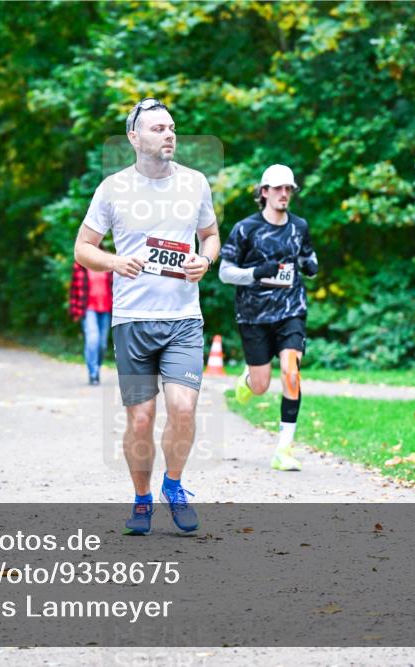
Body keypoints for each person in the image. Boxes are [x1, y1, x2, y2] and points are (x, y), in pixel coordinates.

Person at [73, 97, 220, 535]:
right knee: (141, 418)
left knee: (183, 407)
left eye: (172, 127)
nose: (169, 134)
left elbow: (210, 236)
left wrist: (205, 261)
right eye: (158, 129)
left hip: (183, 320)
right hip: (132, 321)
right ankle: (141, 500)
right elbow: (82, 249)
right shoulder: (113, 188)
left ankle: (172, 486)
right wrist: (115, 263)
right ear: (134, 138)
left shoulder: (195, 183)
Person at [218, 164, 318, 471]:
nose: (284, 194)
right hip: (254, 315)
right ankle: (248, 380)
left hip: (291, 310)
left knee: (291, 372)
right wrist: (255, 274)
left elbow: (308, 257)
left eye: (288, 189)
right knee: (261, 385)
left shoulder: (299, 226)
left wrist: (310, 265)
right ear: (264, 192)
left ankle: (284, 450)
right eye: (277, 189)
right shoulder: (245, 229)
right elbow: (224, 272)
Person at [69, 262, 114, 385]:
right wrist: (75, 311)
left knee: (102, 345)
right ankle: (93, 373)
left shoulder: (108, 262)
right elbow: (74, 289)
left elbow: (115, 286)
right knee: (92, 339)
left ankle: (97, 368)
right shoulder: (80, 265)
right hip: (88, 309)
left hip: (106, 308)